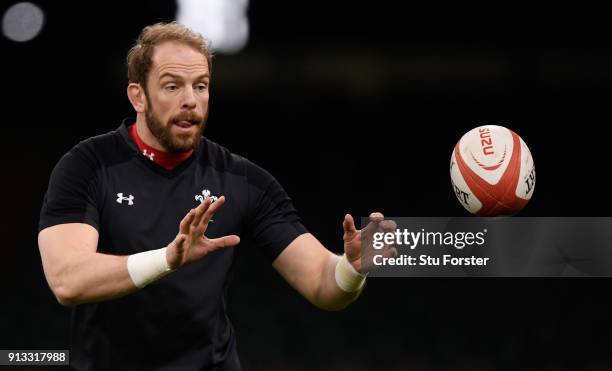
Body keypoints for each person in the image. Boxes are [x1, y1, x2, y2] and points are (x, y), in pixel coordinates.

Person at [37, 22, 396, 371]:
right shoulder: (87, 166)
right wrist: (167, 259)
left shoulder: (242, 180)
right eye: (172, 86)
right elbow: (67, 280)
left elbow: (321, 282)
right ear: (138, 96)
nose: (191, 101)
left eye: (201, 86)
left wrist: (350, 269)